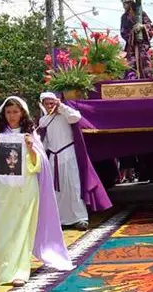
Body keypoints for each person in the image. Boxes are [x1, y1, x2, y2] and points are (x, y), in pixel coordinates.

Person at [0, 97, 73, 286]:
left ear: (22, 113)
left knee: (22, 231)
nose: (12, 116)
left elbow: (38, 165)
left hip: (25, 190)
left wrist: (30, 148)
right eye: (8, 112)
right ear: (3, 114)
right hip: (1, 191)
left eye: (15, 112)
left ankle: (20, 270)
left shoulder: (29, 134)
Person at [37, 92, 112, 230]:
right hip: (54, 157)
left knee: (73, 185)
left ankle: (80, 218)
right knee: (57, 189)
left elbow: (76, 117)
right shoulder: (43, 120)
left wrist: (61, 106)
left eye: (51, 103)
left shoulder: (65, 115)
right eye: (46, 104)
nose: (49, 106)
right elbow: (45, 142)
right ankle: (60, 219)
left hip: (68, 154)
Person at [120, 0, 153, 79]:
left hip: (143, 45)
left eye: (125, 4)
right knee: (131, 65)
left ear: (130, 4)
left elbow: (150, 26)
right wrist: (133, 33)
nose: (123, 6)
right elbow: (123, 32)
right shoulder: (124, 17)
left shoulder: (141, 14)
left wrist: (142, 27)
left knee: (145, 63)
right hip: (131, 46)